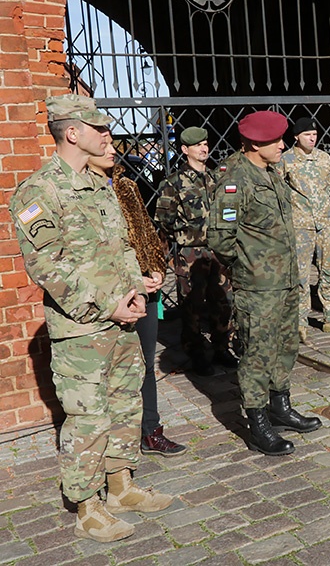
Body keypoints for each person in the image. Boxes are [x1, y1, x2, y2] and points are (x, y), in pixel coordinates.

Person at [10, 94, 173, 542]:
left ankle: (121, 487)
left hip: (123, 319)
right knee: (87, 417)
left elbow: (118, 248)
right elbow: (47, 267)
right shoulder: (38, 192)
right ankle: (88, 507)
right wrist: (108, 303)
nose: (108, 135)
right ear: (72, 132)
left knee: (126, 403)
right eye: (98, 128)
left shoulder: (100, 185)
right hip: (82, 327)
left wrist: (137, 286)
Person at [208, 111, 322, 456]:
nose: (282, 145)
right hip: (258, 285)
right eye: (276, 140)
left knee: (285, 346)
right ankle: (257, 422)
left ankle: (280, 406)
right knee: (257, 353)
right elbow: (219, 237)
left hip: (285, 281)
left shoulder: (271, 172)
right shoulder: (234, 178)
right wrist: (248, 266)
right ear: (256, 143)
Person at [88, 134, 187, 456]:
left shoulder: (126, 186)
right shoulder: (79, 195)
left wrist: (156, 269)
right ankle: (112, 439)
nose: (112, 151)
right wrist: (133, 281)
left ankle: (150, 430)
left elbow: (144, 234)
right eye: (103, 146)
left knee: (144, 363)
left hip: (147, 289)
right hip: (113, 295)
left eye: (112, 145)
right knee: (110, 370)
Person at [155, 127, 236, 376]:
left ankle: (223, 347)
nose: (204, 148)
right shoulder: (173, 184)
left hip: (218, 251)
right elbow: (164, 219)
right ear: (184, 150)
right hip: (192, 254)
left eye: (205, 143)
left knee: (223, 302)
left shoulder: (217, 179)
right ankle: (197, 353)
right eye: (197, 145)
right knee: (192, 306)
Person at [282, 117, 330, 341]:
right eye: (307, 135)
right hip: (300, 226)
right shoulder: (286, 160)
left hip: (324, 224)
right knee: (301, 275)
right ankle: (299, 321)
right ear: (296, 137)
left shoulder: (324, 159)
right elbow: (280, 189)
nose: (312, 138)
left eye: (314, 134)